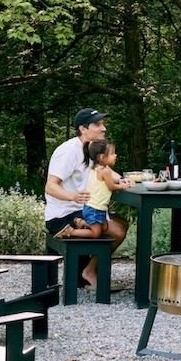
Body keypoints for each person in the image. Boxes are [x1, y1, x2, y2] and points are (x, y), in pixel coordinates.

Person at [45, 108, 130, 288]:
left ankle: (87, 271)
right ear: (83, 128)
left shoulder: (90, 148)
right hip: (62, 216)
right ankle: (89, 272)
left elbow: (105, 170)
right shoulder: (68, 151)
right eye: (97, 125)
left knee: (123, 223)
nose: (103, 129)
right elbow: (50, 186)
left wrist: (123, 180)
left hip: (82, 209)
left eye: (103, 124)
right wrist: (72, 196)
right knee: (117, 230)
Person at [65, 139, 134, 238]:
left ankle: (82, 223)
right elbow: (112, 186)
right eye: (112, 153)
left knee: (104, 228)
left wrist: (120, 181)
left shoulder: (95, 168)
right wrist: (123, 186)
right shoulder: (105, 171)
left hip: (98, 208)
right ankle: (70, 232)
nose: (115, 156)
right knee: (95, 233)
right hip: (94, 208)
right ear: (102, 157)